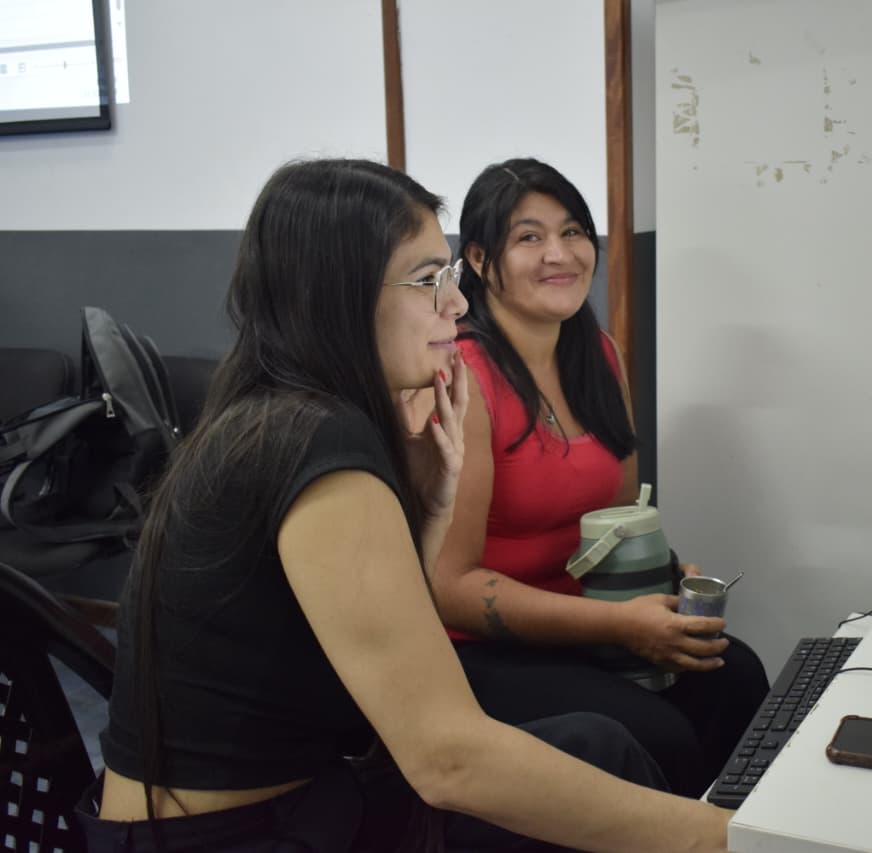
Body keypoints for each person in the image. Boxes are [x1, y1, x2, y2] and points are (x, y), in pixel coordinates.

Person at [83, 158, 733, 852]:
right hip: (241, 835)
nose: (456, 305)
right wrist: (729, 839)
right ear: (339, 294)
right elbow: (446, 760)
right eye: (428, 281)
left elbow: (374, 634)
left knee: (600, 744)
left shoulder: (283, 412)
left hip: (297, 797)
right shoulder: (315, 443)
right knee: (619, 760)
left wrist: (430, 503)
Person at [432, 157, 769, 798]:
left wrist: (662, 577)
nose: (559, 254)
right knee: (658, 734)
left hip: (590, 624)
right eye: (529, 237)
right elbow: (451, 587)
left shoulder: (600, 354)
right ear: (478, 259)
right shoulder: (464, 378)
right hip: (482, 649)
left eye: (573, 231)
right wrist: (618, 626)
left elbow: (621, 521)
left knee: (736, 675)